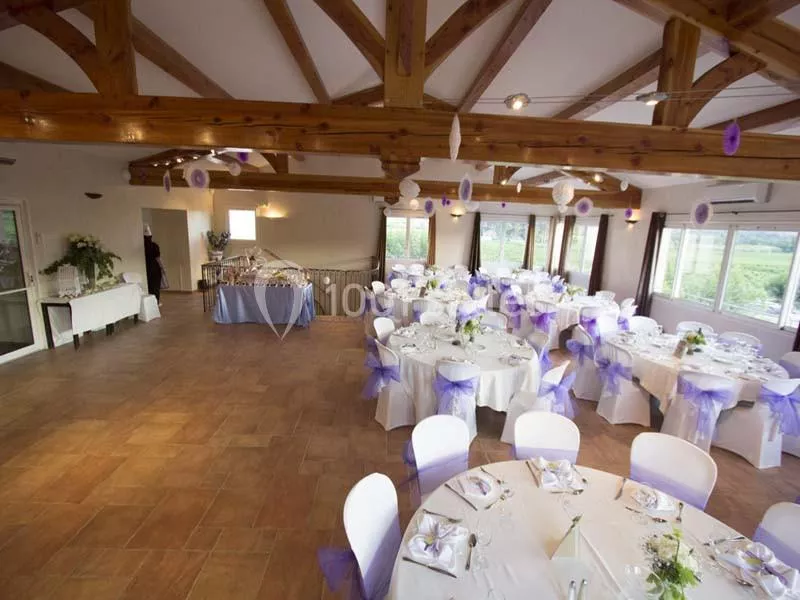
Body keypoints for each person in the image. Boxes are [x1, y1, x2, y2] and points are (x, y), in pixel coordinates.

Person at [143, 225, 168, 303]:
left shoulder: (142, 247)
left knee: (149, 287)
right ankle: (156, 302)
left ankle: (150, 304)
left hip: (147, 269)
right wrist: (163, 268)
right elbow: (158, 258)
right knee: (156, 287)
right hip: (155, 269)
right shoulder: (154, 246)